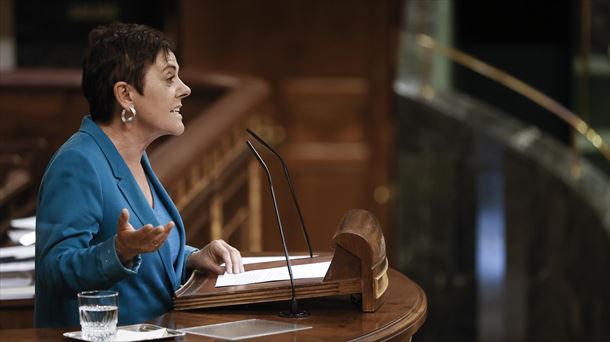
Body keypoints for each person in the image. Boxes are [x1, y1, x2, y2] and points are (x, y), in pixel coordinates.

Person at [34, 22, 244, 328]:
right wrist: (119, 251)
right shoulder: (78, 163)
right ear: (126, 95)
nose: (184, 89)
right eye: (170, 78)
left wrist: (191, 258)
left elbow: (143, 248)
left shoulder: (134, 155)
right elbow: (53, 271)